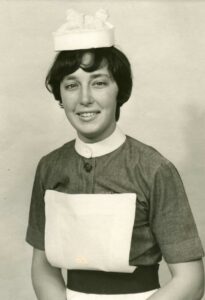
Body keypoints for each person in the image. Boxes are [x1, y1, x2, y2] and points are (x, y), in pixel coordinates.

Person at [26, 9, 204, 300]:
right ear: (60, 95)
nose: (84, 98)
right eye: (72, 85)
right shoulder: (50, 167)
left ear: (119, 90)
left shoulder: (154, 169)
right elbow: (43, 267)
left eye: (98, 82)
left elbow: (191, 280)